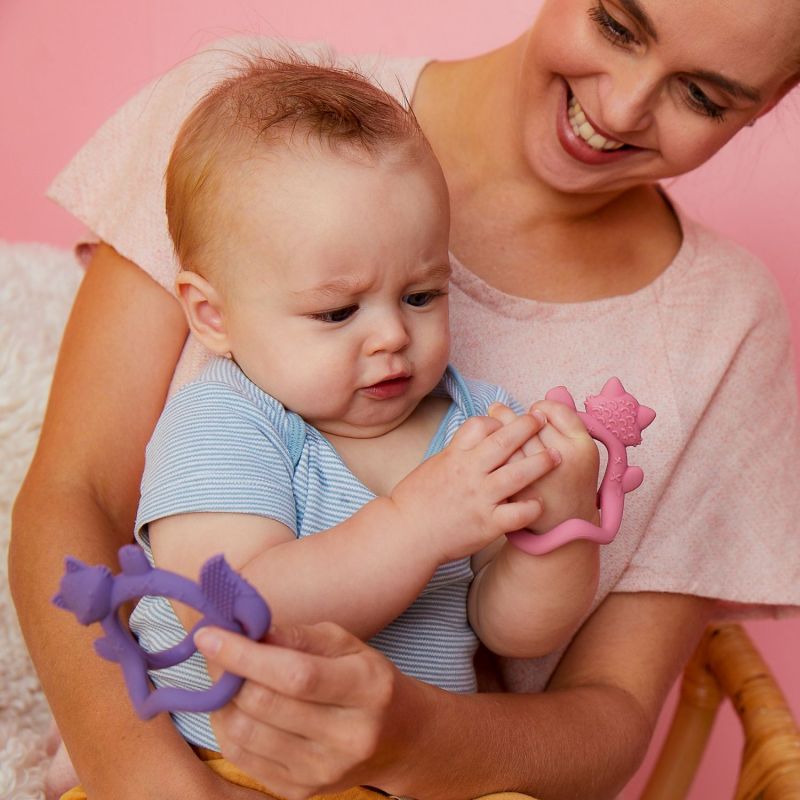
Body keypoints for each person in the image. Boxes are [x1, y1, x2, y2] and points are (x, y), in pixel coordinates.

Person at [10, 2, 800, 799]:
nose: (621, 106)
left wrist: (559, 524)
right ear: (210, 315)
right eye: (618, 26)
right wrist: (419, 523)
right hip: (213, 760)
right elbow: (223, 596)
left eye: (704, 95)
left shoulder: (470, 413)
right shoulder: (235, 401)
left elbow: (517, 632)